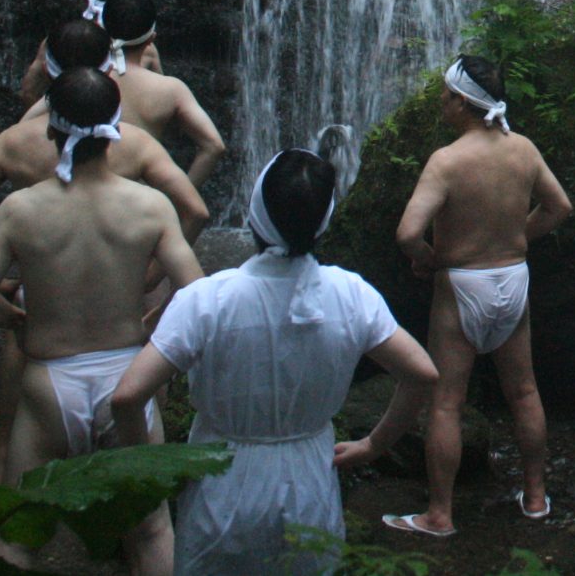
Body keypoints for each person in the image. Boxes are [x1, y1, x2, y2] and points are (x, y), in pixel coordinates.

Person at [110, 150, 439, 576]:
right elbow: (422, 374)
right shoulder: (352, 294)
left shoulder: (208, 300)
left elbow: (126, 398)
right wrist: (375, 444)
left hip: (219, 477)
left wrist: (150, 472)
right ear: (324, 222)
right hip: (309, 477)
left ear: (255, 215)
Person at [0, 19, 208, 487]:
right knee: (142, 489)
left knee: (8, 453)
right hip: (121, 310)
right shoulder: (136, 142)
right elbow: (196, 218)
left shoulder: (20, 138)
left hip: (41, 311)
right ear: (111, 69)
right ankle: (128, 543)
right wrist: (150, 273)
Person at [0, 68, 203, 575]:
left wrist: (10, 318)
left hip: (49, 381)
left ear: (52, 130)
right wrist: (155, 319)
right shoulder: (150, 206)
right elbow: (196, 291)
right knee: (152, 529)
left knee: (18, 531)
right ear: (117, 130)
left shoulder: (20, 210)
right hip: (127, 374)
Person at [386, 56, 574, 539]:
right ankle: (535, 498)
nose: (441, 103)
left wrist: (428, 258)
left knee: (447, 401)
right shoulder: (524, 151)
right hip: (512, 279)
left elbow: (407, 232)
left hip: (461, 283)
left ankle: (440, 515)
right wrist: (520, 237)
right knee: (524, 391)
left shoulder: (447, 161)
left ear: (464, 103)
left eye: (446, 96)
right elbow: (560, 206)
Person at [99, 0, 227, 190]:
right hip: (141, 200)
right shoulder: (171, 89)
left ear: (103, 29)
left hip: (89, 193)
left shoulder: (83, 82)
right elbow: (214, 146)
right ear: (151, 38)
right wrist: (180, 197)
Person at [18, 0, 159, 108]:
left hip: (67, 122)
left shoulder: (60, 41)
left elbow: (29, 91)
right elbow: (160, 96)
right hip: (125, 127)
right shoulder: (144, 46)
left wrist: (50, 121)